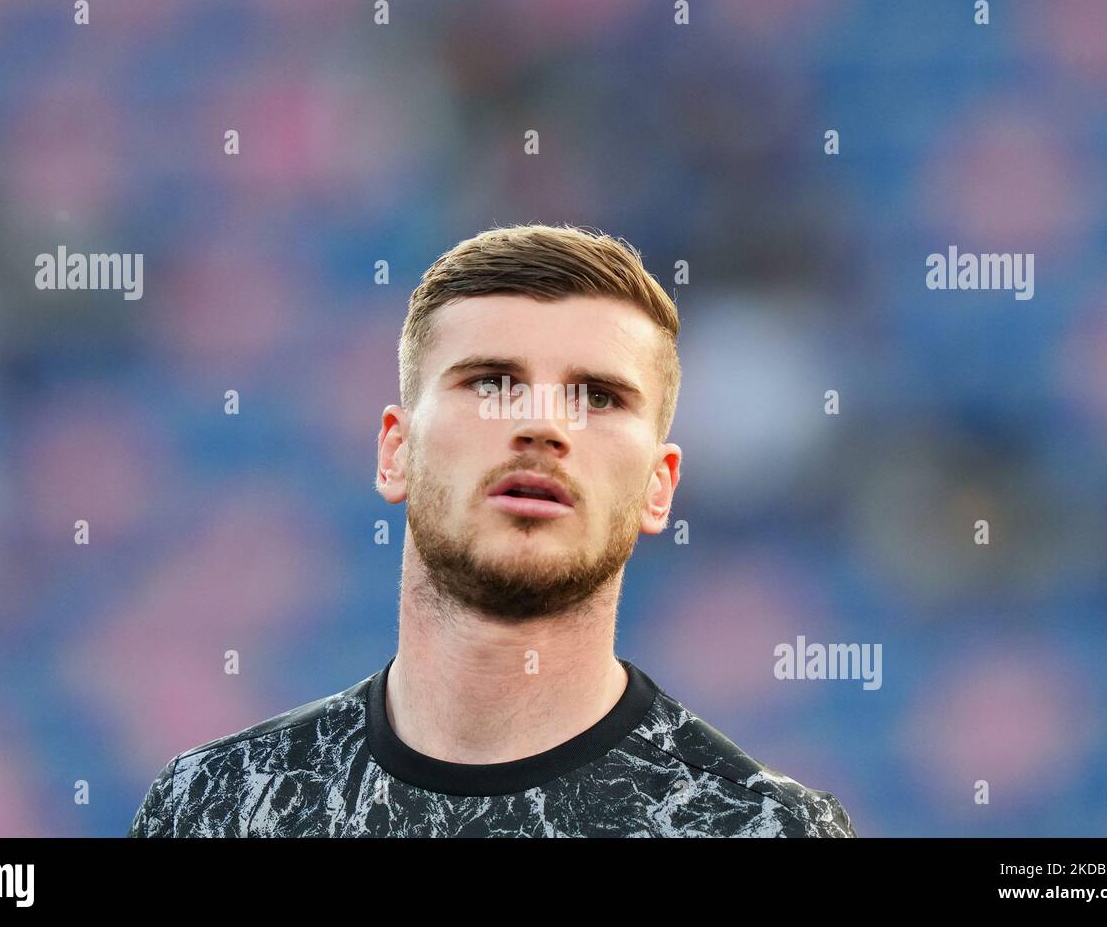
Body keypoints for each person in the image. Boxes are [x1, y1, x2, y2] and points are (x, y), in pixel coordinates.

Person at [128, 224, 856, 837]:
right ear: (395, 450)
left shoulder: (757, 827)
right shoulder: (215, 807)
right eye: (492, 383)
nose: (542, 424)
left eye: (598, 396)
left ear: (659, 486)